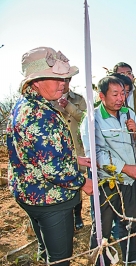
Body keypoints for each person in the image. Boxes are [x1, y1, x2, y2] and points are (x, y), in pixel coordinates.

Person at [6, 46, 93, 265]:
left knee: (47, 251)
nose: (63, 84)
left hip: (29, 192)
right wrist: (82, 181)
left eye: (64, 79)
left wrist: (73, 159)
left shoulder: (25, 105)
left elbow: (38, 152)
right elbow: (53, 169)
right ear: (35, 82)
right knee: (60, 259)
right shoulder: (40, 115)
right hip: (50, 199)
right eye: (56, 79)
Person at [80, 76, 136, 265]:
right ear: (102, 96)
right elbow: (95, 155)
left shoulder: (127, 113)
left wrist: (135, 132)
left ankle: (131, 255)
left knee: (129, 220)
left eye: (123, 93)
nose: (120, 98)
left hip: (130, 180)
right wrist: (125, 168)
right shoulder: (92, 119)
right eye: (115, 94)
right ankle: (99, 259)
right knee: (103, 224)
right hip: (108, 181)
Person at [51, 76, 87, 230]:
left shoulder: (78, 99)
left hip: (76, 147)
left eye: (66, 80)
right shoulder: (48, 99)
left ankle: (77, 215)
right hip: (57, 149)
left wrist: (69, 106)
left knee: (77, 182)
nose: (63, 83)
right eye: (60, 80)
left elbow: (85, 118)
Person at [113, 62, 136, 213]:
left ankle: (134, 201)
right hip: (114, 152)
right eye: (122, 74)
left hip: (135, 140)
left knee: (134, 172)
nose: (126, 76)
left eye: (129, 73)